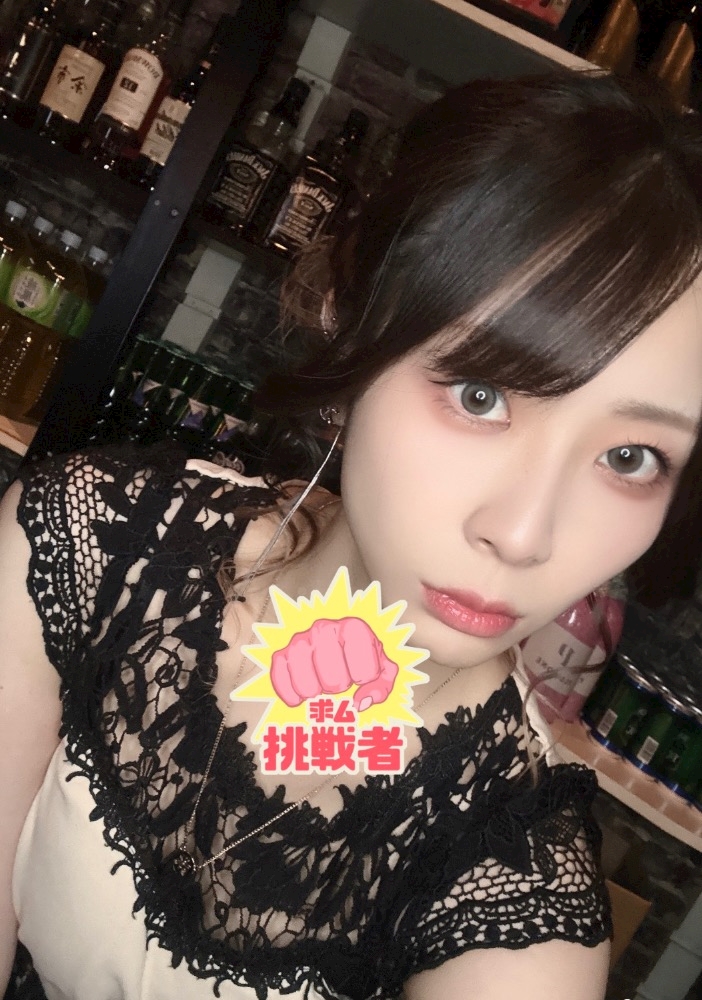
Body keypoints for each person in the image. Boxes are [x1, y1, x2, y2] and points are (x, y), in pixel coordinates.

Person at [2, 68, 702, 1000]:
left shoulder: (516, 898)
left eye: (630, 458)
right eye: (481, 395)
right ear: (348, 321)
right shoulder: (96, 542)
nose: (524, 535)